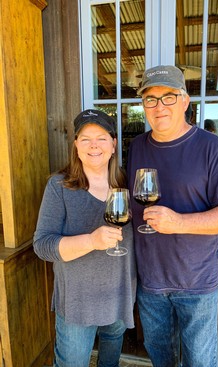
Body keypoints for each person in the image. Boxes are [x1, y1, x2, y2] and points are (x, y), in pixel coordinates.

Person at [127, 65, 218, 367]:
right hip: (150, 280)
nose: (159, 106)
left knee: (200, 361)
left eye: (168, 97)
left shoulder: (212, 148)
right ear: (143, 105)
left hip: (197, 283)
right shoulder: (137, 147)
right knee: (160, 359)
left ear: (185, 100)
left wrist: (179, 222)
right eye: (150, 99)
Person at [33, 109, 136, 367]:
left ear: (113, 144)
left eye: (101, 137)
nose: (94, 145)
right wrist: (91, 241)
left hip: (121, 294)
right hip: (78, 300)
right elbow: (43, 245)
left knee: (110, 361)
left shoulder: (127, 182)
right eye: (85, 138)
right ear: (76, 145)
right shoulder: (59, 186)